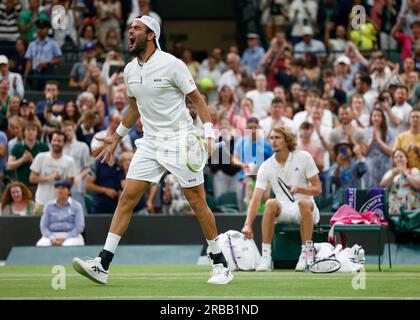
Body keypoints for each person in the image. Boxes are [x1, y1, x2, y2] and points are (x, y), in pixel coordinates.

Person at [72, 15, 233, 285]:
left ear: (151, 35)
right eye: (130, 28)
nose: (130, 32)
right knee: (127, 198)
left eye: (136, 28)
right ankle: (103, 263)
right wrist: (116, 135)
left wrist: (207, 135)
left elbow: (197, 99)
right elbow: (134, 108)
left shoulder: (173, 64)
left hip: (180, 141)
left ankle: (220, 263)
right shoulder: (129, 70)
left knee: (197, 202)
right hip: (150, 143)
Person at [241, 125, 322, 271]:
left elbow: (318, 189)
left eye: (277, 138)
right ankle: (266, 256)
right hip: (283, 209)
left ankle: (306, 254)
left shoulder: (304, 157)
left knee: (304, 203)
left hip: (306, 208)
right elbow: (256, 198)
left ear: (286, 140)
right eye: (271, 138)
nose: (273, 141)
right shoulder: (266, 166)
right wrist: (248, 224)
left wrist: (300, 189)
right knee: (271, 203)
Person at [36, 179, 85, 247]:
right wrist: (52, 238)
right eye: (57, 188)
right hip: (52, 234)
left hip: (72, 235)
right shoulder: (48, 206)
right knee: (41, 244)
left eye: (63, 188)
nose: (59, 190)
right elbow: (43, 226)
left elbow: (79, 227)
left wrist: (65, 238)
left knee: (68, 245)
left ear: (69, 191)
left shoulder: (77, 206)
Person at [380, 149, 420, 215]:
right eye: (396, 157)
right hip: (394, 213)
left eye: (401, 156)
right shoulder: (390, 172)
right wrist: (393, 174)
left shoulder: (413, 171)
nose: (398, 159)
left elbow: (418, 185)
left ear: (406, 159)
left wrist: (405, 173)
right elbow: (383, 186)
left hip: (413, 213)